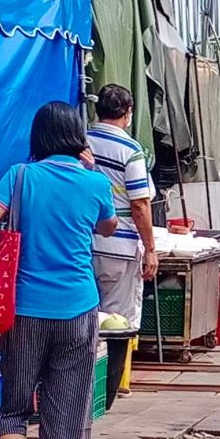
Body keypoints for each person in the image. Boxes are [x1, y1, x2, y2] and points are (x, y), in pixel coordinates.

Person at [0, 102, 117, 439]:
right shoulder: (95, 183)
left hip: (25, 309)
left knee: (13, 411)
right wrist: (90, 168)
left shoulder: (20, 176)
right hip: (78, 309)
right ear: (78, 138)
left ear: (39, 137)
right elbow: (108, 227)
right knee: (65, 418)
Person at [88, 85, 159, 330]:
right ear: (128, 113)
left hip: (84, 242)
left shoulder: (81, 143)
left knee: (86, 318)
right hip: (120, 246)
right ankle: (115, 368)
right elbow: (139, 204)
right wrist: (150, 249)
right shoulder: (130, 150)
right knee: (116, 321)